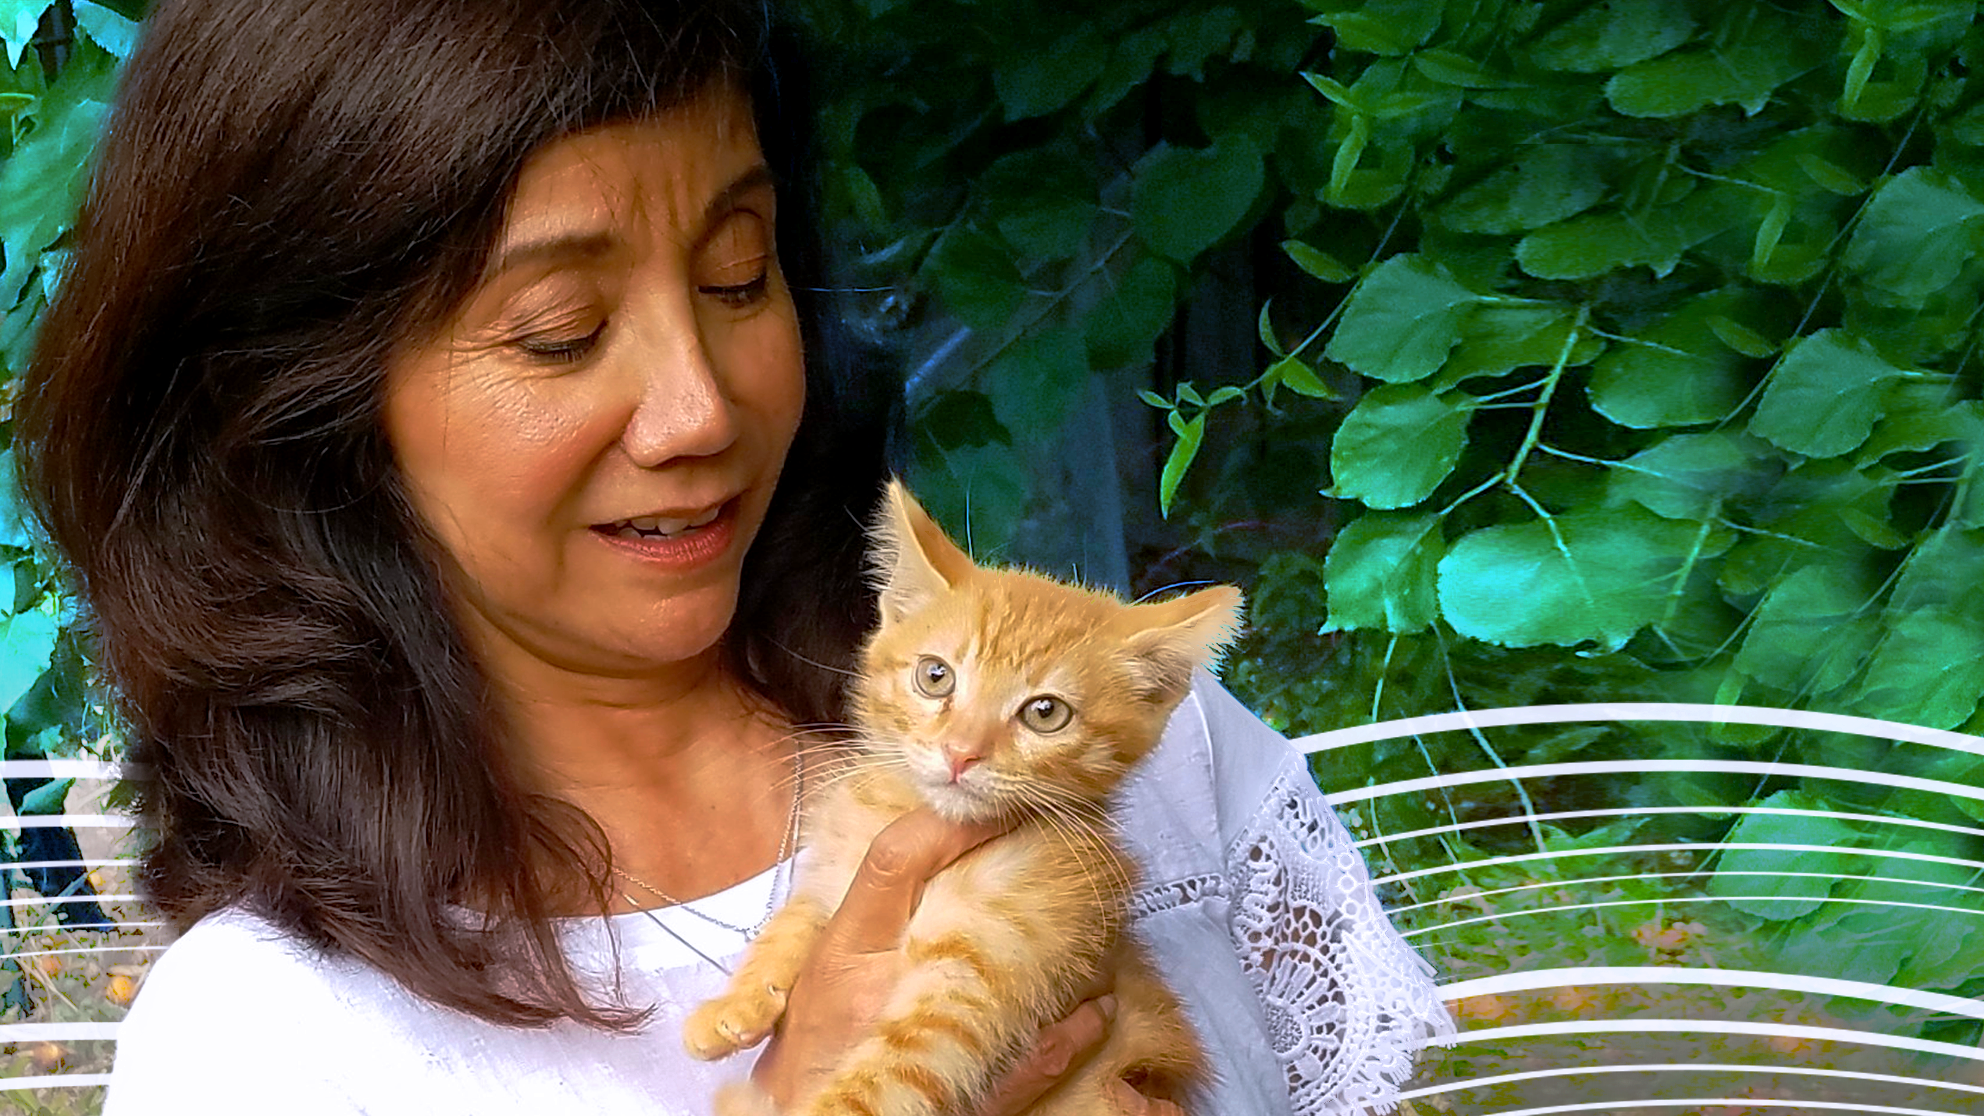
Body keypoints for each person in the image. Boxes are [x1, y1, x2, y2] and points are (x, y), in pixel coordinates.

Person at [14, 0, 1451, 1112]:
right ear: (307, 407)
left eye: (736, 276)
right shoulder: (271, 1045)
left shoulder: (1131, 745)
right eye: (560, 333)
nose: (703, 407)